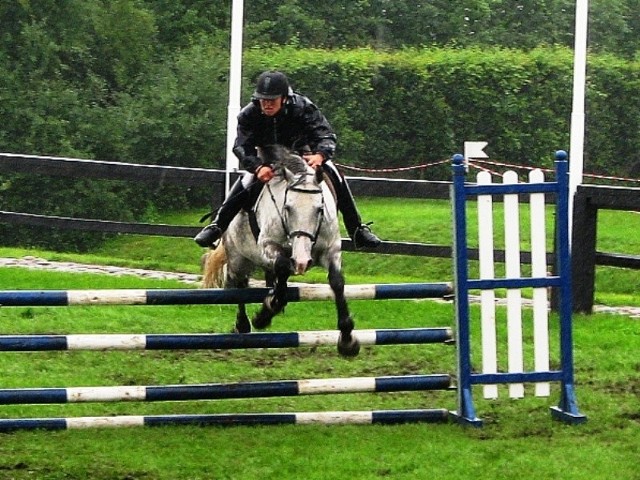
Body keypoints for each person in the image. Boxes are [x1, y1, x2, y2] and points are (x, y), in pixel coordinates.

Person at [194, 70, 381, 249]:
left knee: (335, 174)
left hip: (302, 155)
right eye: (263, 100)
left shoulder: (302, 106)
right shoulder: (249, 113)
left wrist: (320, 154)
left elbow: (325, 134)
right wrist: (258, 167)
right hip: (266, 156)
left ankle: (357, 229)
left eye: (271, 100)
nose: (266, 104)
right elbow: (241, 146)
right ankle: (217, 226)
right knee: (246, 181)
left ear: (284, 98)